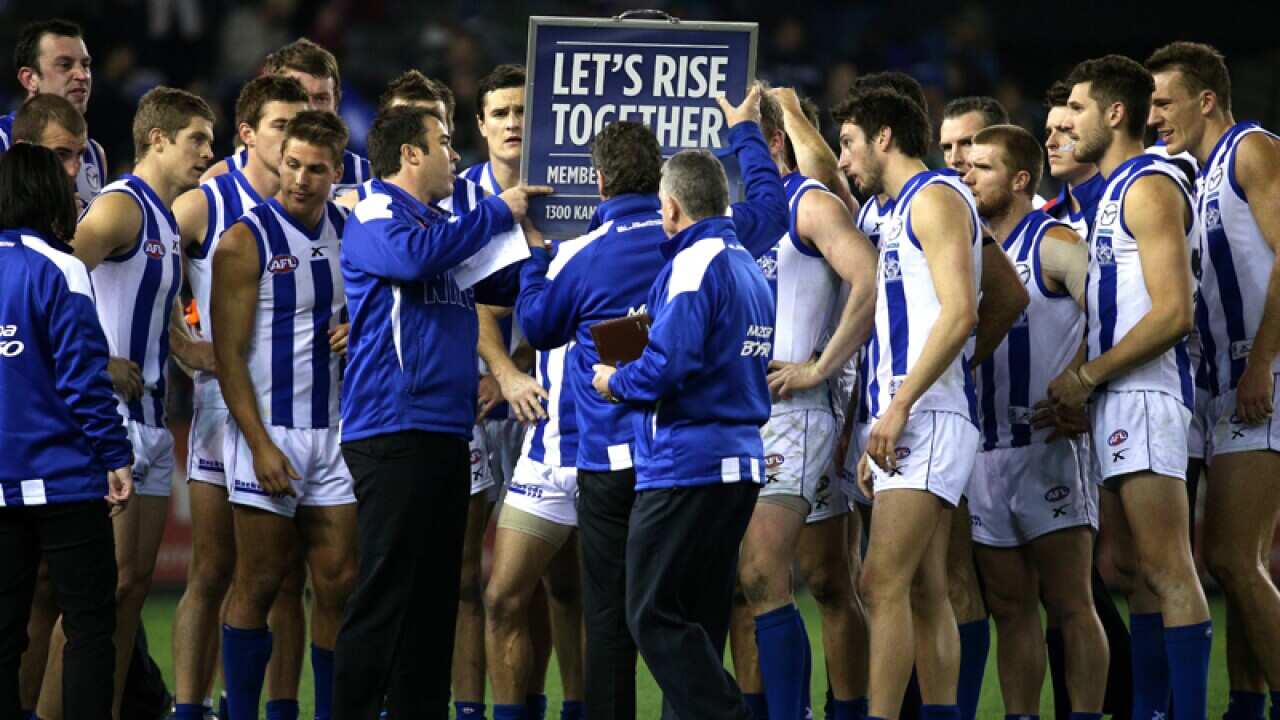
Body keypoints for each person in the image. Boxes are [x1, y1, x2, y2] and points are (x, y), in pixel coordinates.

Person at [332, 104, 549, 719]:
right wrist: (495, 211)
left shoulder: (439, 226)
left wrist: (540, 253)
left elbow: (498, 287)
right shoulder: (376, 210)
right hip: (391, 427)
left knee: (435, 598)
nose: (455, 156)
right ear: (410, 154)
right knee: (385, 592)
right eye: (445, 143)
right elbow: (411, 262)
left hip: (443, 430)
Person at [36, 86, 213, 720]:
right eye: (197, 138)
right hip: (107, 426)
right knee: (97, 597)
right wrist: (100, 361)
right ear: (158, 139)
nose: (206, 152)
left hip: (155, 422)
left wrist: (189, 349)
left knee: (132, 589)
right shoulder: (118, 207)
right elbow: (51, 281)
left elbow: (154, 310)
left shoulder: (165, 218)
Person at [589, 144, 777, 720]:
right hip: (739, 463)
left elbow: (670, 364)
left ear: (670, 208)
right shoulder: (747, 265)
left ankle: (730, 715)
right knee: (698, 621)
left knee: (649, 613)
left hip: (687, 462)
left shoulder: (695, 264)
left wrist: (615, 380)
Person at [1050, 54, 1212, 720]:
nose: (1067, 123)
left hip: (1147, 395)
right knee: (1139, 573)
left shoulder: (1148, 184)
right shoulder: (1114, 190)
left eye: (1079, 110)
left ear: (1115, 113)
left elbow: (1175, 311)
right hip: (1121, 398)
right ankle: (1149, 712)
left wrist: (1088, 375)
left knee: (1168, 568)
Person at [166, 73, 311, 720]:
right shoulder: (208, 200)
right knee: (213, 568)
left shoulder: (317, 203)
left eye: (298, 125)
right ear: (249, 132)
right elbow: (145, 263)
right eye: (279, 125)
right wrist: (183, 343)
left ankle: (251, 706)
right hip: (225, 410)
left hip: (299, 410)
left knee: (282, 576)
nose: (290, 139)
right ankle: (189, 707)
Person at [837, 87, 982, 720]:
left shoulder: (936, 198)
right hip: (914, 413)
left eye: (848, 143)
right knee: (925, 588)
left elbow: (963, 312)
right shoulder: (901, 209)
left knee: (880, 582)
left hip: (927, 414)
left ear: (884, 137)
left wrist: (896, 409)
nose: (844, 160)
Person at [731, 88, 876, 720]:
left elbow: (869, 278)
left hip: (799, 410)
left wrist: (820, 366)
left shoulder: (810, 202)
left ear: (771, 144)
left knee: (795, 577)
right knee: (781, 580)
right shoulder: (738, 212)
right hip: (746, 415)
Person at [1147, 41, 1280, 720]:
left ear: (1205, 100)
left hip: (1265, 376)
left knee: (1230, 555)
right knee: (1239, 562)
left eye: (1163, 101)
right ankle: (1247, 706)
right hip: (1224, 386)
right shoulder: (1192, 176)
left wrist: (1260, 362)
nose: (1153, 116)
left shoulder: (1252, 149)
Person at [213, 110, 356, 720]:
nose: (299, 178)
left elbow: (379, 308)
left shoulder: (352, 231)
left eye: (314, 168)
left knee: (340, 584)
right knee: (259, 581)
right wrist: (260, 444)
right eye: (291, 164)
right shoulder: (244, 241)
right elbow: (228, 355)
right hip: (268, 432)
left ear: (337, 172)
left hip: (337, 432)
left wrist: (361, 328)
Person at [962, 124, 1109, 720]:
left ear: (1020, 179)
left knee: (1071, 603)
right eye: (967, 167)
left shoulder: (1052, 241)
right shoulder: (969, 247)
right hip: (985, 451)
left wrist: (1082, 380)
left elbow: (1115, 308)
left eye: (983, 168)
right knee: (1010, 605)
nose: (968, 176)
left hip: (1047, 444)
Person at [0, 142, 133, 720]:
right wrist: (116, 454)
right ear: (52, 195)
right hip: (65, 482)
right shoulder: (61, 268)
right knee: (87, 629)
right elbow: (83, 378)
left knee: (3, 636)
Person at [1039, 78, 1136, 720]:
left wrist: (1082, 376)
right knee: (1065, 585)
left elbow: (1118, 308)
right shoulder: (1050, 218)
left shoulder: (1117, 202)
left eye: (1068, 121)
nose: (1057, 135)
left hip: (1124, 398)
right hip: (1062, 422)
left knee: (1125, 572)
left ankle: (1135, 703)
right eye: (1048, 128)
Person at [203, 38, 370, 197]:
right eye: (297, 95)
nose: (309, 110)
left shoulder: (367, 180)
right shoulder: (216, 187)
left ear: (336, 105)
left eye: (321, 99)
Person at [0, 19, 108, 207]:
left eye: (85, 64)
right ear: (30, 79)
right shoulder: (2, 140)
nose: (82, 75)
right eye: (65, 65)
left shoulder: (94, 154)